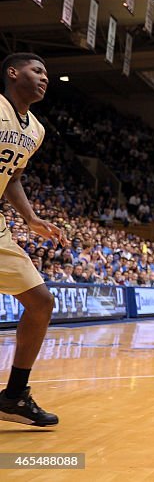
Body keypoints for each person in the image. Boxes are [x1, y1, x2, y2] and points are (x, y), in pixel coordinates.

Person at [0, 53, 66, 428]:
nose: (44, 78)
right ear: (13, 73)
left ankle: (14, 396)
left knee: (41, 303)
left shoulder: (35, 130)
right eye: (37, 70)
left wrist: (31, 218)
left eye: (46, 73)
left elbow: (12, 178)